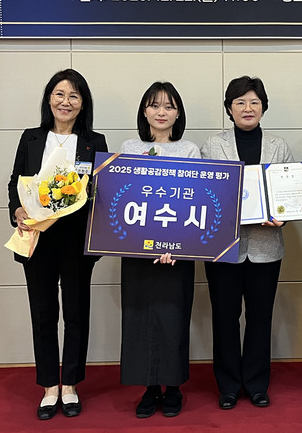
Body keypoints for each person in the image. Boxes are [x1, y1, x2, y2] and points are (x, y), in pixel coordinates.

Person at [8, 69, 108, 420]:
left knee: (77, 313)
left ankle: (71, 384)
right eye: (60, 94)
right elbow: (15, 182)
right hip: (38, 238)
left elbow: (102, 191)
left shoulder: (94, 141)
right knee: (43, 313)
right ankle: (50, 385)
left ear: (83, 104)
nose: (66, 102)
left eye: (74, 96)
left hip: (77, 240)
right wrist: (17, 210)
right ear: (49, 99)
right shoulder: (32, 138)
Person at [200, 76, 294, 410]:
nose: (247, 108)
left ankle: (256, 383)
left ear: (263, 107)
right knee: (224, 318)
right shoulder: (213, 146)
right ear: (229, 108)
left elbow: (289, 192)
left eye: (254, 102)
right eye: (239, 102)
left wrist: (284, 215)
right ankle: (227, 385)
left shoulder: (279, 146)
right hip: (223, 248)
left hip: (266, 247)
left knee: (260, 318)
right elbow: (203, 196)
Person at [119, 82, 201, 419]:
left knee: (173, 318)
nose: (161, 112)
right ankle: (149, 388)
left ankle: (174, 387)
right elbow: (122, 197)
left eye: (169, 106)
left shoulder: (190, 150)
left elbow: (197, 200)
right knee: (139, 319)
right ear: (144, 111)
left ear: (178, 113)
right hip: (138, 254)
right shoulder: (129, 147)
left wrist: (175, 245)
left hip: (177, 254)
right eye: (154, 105)